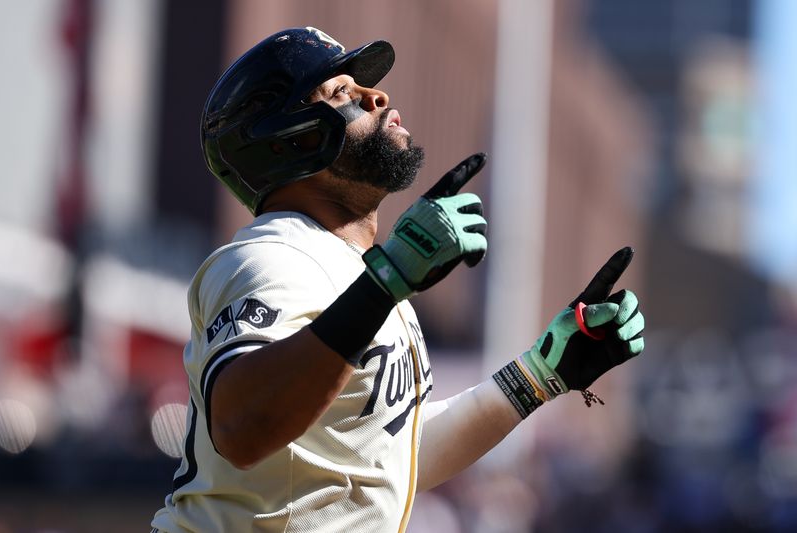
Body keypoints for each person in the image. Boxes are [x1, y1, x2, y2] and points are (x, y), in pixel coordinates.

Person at [150, 26, 645, 533]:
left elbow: (387, 461)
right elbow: (241, 429)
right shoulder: (271, 254)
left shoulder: (353, 270)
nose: (378, 94)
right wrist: (386, 281)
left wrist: (539, 375)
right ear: (290, 141)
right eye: (343, 92)